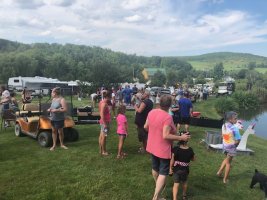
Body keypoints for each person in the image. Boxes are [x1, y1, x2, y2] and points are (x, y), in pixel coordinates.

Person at [144, 94, 190, 200]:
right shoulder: (167, 117)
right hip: (163, 149)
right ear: (169, 105)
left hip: (152, 145)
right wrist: (181, 138)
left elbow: (146, 127)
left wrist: (155, 132)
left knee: (155, 168)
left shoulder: (151, 112)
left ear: (159, 103)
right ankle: (156, 197)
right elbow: (165, 135)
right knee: (163, 172)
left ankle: (158, 191)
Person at [216, 111, 241, 184]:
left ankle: (219, 172)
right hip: (231, 148)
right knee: (228, 163)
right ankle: (225, 179)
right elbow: (238, 140)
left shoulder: (224, 125)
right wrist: (235, 146)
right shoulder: (235, 128)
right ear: (230, 119)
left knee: (226, 159)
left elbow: (222, 136)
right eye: (235, 118)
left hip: (225, 146)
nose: (237, 120)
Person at [169, 132, 195, 200]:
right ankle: (184, 195)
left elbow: (172, 160)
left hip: (176, 170)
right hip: (185, 170)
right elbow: (193, 159)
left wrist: (170, 168)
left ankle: (175, 198)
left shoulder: (176, 149)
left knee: (176, 184)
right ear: (187, 140)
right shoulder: (190, 150)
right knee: (184, 182)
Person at [98, 90, 112, 156]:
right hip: (105, 122)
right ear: (108, 97)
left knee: (101, 136)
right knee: (104, 137)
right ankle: (104, 151)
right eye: (110, 97)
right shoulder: (104, 104)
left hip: (103, 122)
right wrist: (105, 124)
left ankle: (101, 150)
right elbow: (101, 114)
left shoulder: (101, 102)